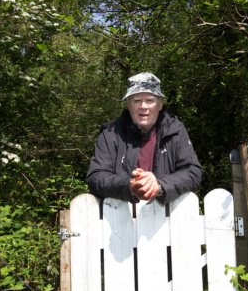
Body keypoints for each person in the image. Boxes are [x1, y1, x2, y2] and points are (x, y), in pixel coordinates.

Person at [86, 72, 202, 204]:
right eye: (136, 101)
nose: (143, 106)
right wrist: (128, 185)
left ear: (160, 104)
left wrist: (159, 185)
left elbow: (193, 172)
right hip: (118, 218)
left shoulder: (175, 130)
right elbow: (95, 177)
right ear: (128, 104)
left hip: (167, 220)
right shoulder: (110, 133)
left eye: (150, 100)